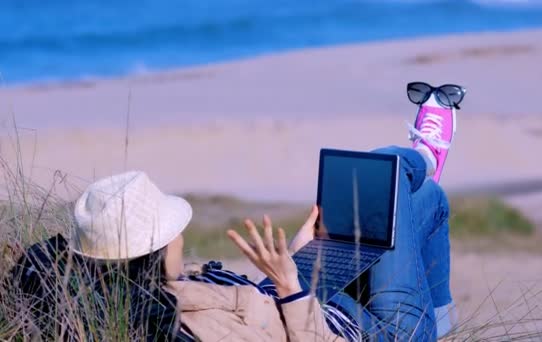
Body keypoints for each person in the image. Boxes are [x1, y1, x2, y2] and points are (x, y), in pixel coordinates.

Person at [15, 83, 461, 341]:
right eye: (172, 230)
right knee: (411, 190)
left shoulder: (162, 288)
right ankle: (423, 157)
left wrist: (295, 260)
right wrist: (290, 284)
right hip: (367, 332)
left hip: (308, 297)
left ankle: (420, 166)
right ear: (151, 252)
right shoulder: (187, 329)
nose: (181, 236)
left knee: (408, 196)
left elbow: (255, 313)